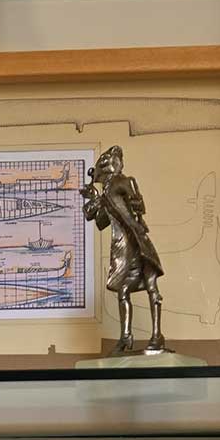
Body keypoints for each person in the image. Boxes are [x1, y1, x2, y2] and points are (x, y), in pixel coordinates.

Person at [82, 143, 167, 355]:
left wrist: (136, 207)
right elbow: (100, 221)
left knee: (150, 286)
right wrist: (94, 198)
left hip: (136, 241)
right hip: (123, 246)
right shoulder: (108, 190)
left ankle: (156, 335)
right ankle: (126, 336)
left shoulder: (121, 181)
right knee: (124, 289)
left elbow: (138, 202)